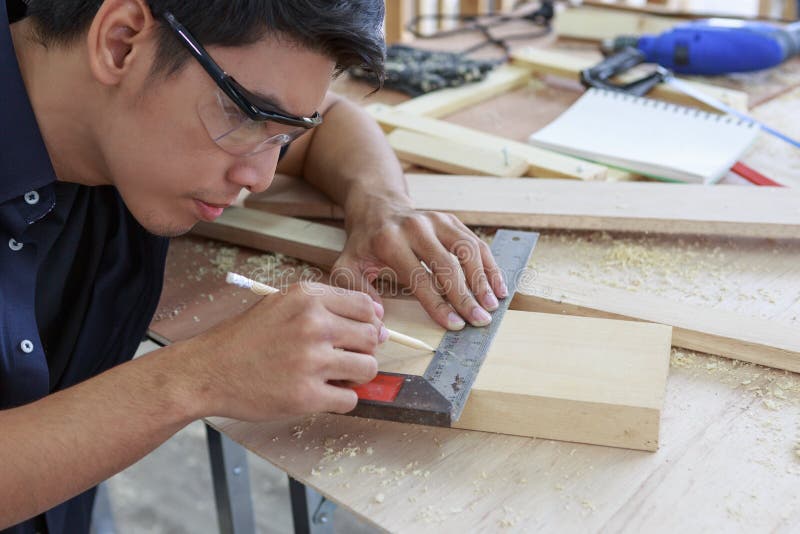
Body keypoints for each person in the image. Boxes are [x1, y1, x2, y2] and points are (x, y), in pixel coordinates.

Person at [0, 1, 507, 531]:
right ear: (121, 42)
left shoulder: (144, 112)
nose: (261, 178)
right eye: (247, 115)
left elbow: (332, 118)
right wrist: (201, 376)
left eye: (284, 134)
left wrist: (380, 202)